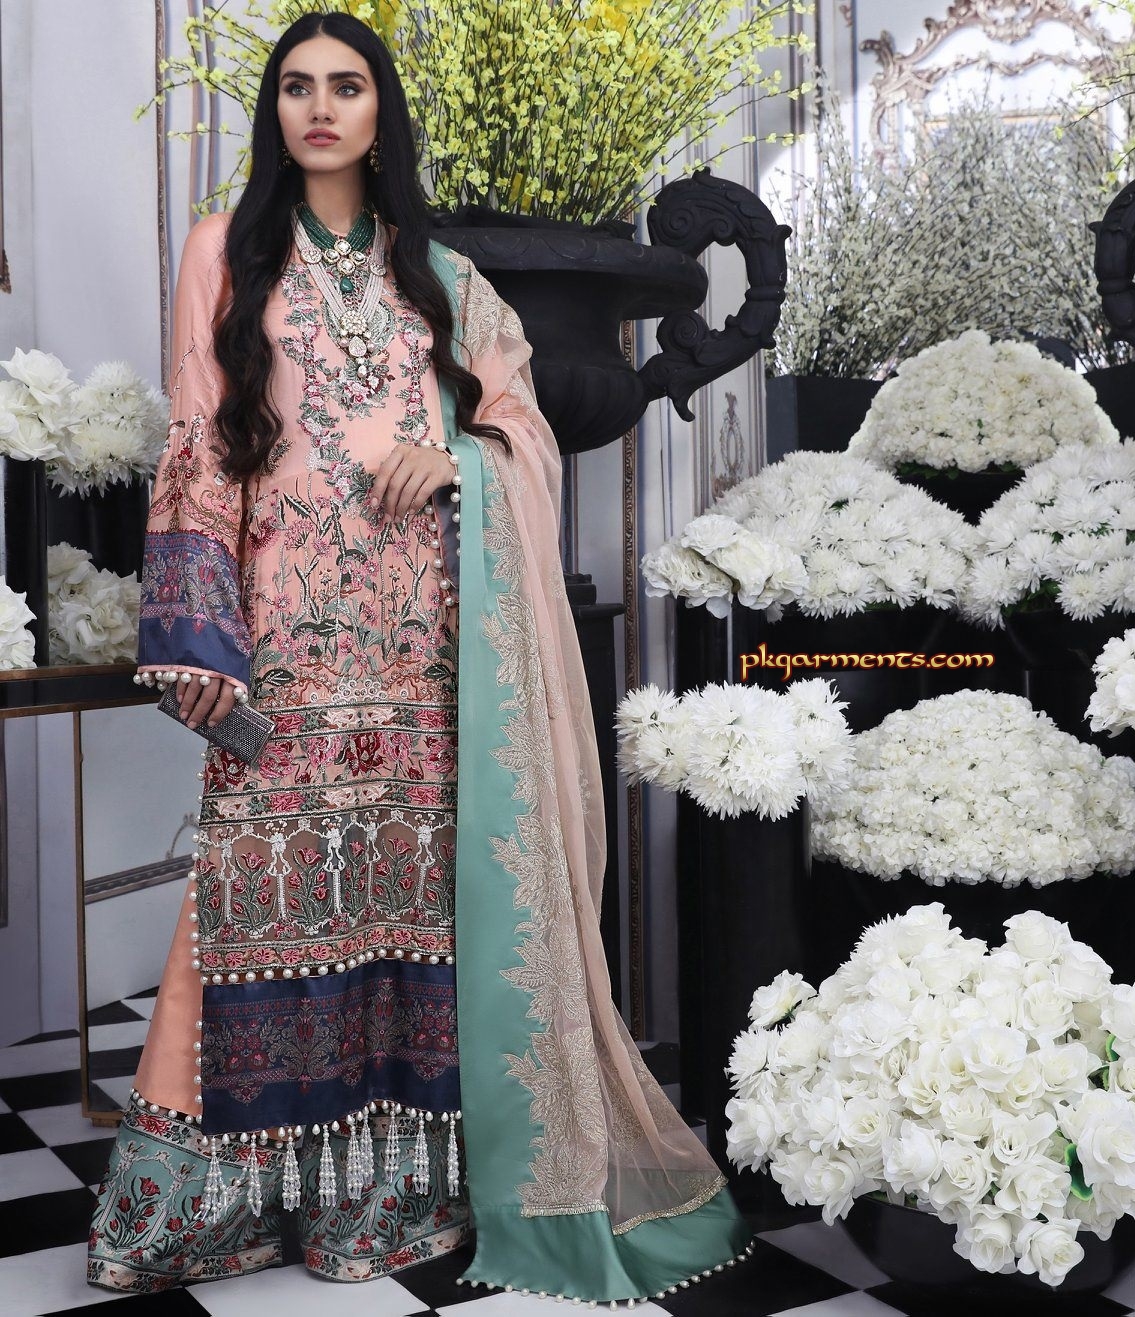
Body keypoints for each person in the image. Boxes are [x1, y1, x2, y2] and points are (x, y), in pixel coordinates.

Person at [87, 11, 751, 1303]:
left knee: (414, 914)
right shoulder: (224, 252)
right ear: (273, 114)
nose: (319, 108)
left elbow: (521, 426)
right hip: (285, 646)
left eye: (346, 86)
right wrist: (193, 628)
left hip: (429, 653)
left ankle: (394, 1198)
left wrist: (457, 460)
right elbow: (197, 443)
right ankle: (227, 1206)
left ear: (380, 112)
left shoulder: (441, 275)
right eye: (296, 87)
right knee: (262, 905)